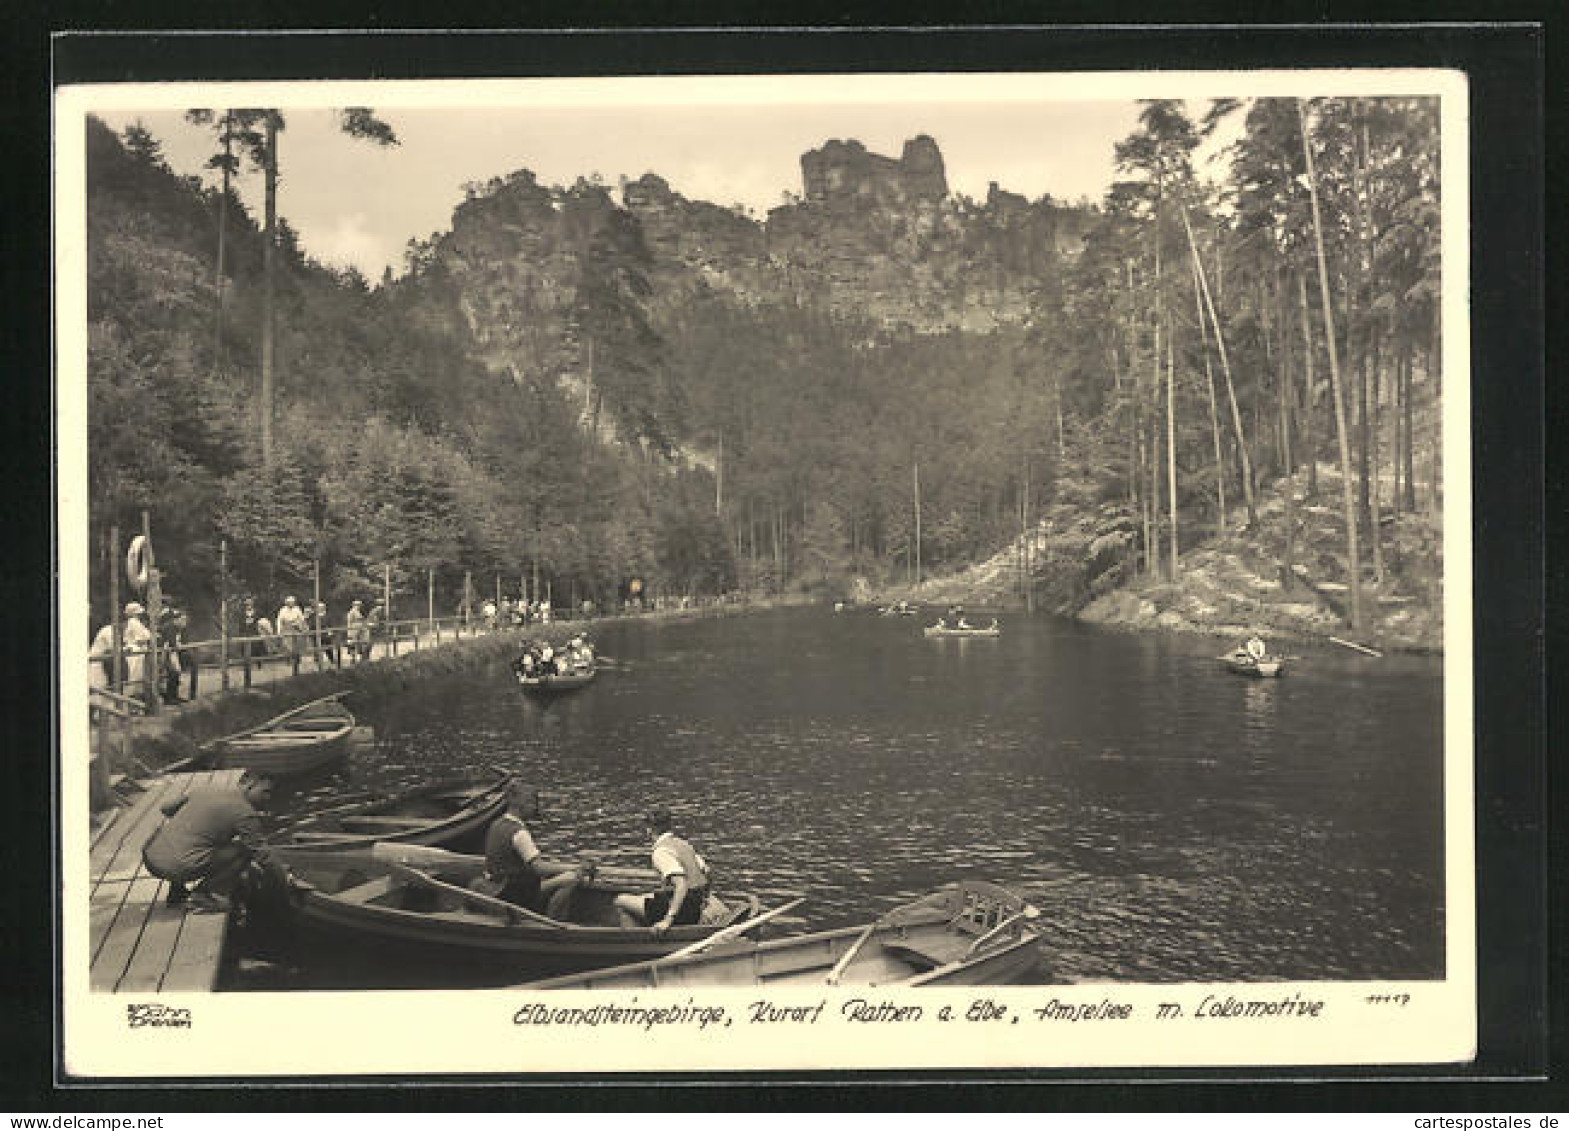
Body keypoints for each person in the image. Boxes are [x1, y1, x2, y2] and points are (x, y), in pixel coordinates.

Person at [141, 769, 278, 912]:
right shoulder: (245, 812)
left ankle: (177, 893)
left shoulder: (206, 789)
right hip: (178, 867)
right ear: (250, 785)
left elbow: (166, 809)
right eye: (265, 791)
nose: (268, 797)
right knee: (243, 850)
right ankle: (203, 896)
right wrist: (285, 874)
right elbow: (261, 853)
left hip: (151, 858)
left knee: (193, 839)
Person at [474, 784, 582, 917]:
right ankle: (553, 921)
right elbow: (539, 868)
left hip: (496, 886)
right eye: (532, 803)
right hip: (513, 894)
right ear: (521, 804)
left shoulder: (495, 824)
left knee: (551, 875)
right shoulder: (520, 833)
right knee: (572, 878)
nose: (535, 808)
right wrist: (573, 868)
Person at [614, 809, 711, 935]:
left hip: (684, 912)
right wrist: (704, 899)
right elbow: (707, 872)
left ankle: (636, 940)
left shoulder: (661, 851)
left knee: (620, 901)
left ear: (649, 829)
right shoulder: (683, 844)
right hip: (696, 906)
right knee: (646, 897)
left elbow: (681, 884)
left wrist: (668, 920)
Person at [276, 596, 308, 676]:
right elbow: (279, 620)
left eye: (292, 602)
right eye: (289, 602)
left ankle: (296, 660)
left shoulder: (297, 609)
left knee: (297, 643)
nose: (291, 604)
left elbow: (302, 619)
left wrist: (300, 625)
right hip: (286, 628)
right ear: (286, 603)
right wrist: (279, 630)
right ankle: (290, 659)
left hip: (295, 627)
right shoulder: (283, 610)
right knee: (287, 644)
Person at [346, 600, 368, 664]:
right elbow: (349, 622)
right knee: (352, 643)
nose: (358, 606)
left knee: (361, 643)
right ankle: (352, 658)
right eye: (357, 605)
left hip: (360, 629)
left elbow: (362, 621)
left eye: (359, 605)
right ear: (353, 605)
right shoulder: (351, 612)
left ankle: (360, 657)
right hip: (353, 629)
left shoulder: (359, 612)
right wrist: (349, 631)